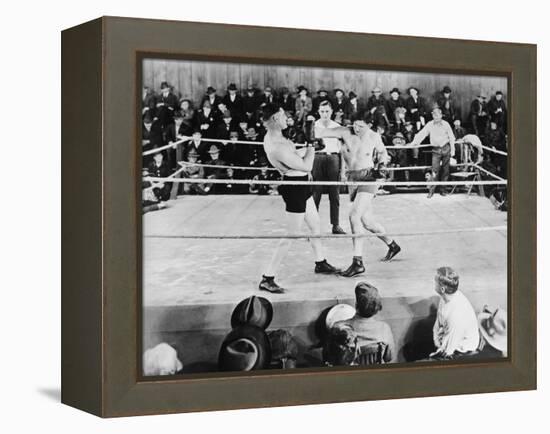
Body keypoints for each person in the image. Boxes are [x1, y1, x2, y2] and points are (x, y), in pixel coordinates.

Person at [259, 104, 340, 294]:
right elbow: (305, 167)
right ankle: (267, 277)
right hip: (295, 186)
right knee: (292, 233)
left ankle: (320, 262)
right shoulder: (277, 146)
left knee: (314, 224)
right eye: (281, 115)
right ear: (273, 120)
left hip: (301, 184)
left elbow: (295, 157)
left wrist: (307, 148)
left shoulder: (276, 137)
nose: (286, 118)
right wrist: (312, 146)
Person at [316, 118, 401, 277]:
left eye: (361, 125)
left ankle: (358, 262)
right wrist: (311, 126)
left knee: (354, 215)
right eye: (355, 124)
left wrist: (382, 165)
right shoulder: (344, 132)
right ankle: (393, 245)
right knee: (367, 223)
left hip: (369, 177)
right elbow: (320, 132)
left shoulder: (374, 137)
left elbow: (383, 152)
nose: (356, 128)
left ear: (369, 125)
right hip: (352, 179)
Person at [333, 282, 396, 363]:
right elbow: (389, 357)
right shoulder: (384, 328)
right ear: (376, 309)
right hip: (375, 374)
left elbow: (334, 356)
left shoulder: (338, 327)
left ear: (356, 305)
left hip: (350, 374)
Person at [430, 266, 480, 359]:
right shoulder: (446, 297)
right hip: (447, 338)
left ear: (442, 289)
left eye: (435, 282)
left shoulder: (455, 316)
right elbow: (437, 325)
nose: (433, 284)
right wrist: (436, 342)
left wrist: (437, 350)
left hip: (461, 351)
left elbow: (447, 351)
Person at [312, 100, 346, 234]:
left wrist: (343, 171)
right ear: (318, 112)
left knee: (335, 193)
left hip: (334, 158)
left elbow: (343, 151)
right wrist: (308, 168)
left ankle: (336, 225)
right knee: (316, 193)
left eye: (327, 111)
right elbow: (308, 148)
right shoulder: (313, 126)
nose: (324, 114)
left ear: (331, 112)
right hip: (317, 158)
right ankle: (313, 227)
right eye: (322, 111)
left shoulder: (338, 127)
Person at [410, 107, 456, 198]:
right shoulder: (429, 124)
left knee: (445, 171)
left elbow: (451, 137)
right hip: (436, 150)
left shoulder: (446, 124)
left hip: (446, 148)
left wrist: (453, 149)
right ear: (432, 116)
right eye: (435, 115)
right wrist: (414, 143)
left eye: (438, 115)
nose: (437, 117)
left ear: (441, 115)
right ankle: (431, 190)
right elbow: (421, 134)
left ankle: (443, 190)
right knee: (434, 171)